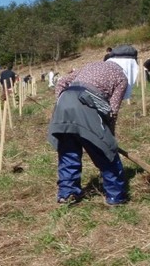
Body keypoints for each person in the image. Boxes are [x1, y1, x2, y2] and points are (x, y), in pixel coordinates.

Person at [47, 58, 135, 207]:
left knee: (68, 152)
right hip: (85, 105)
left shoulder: (90, 64)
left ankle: (68, 194)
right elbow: (112, 111)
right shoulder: (121, 77)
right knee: (105, 151)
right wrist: (109, 137)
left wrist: (63, 102)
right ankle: (116, 197)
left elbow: (61, 82)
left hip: (64, 104)